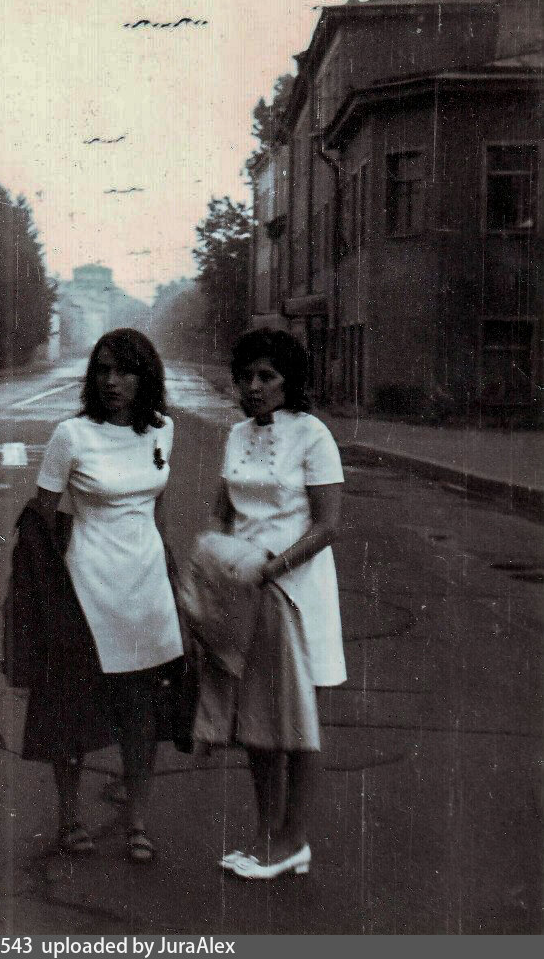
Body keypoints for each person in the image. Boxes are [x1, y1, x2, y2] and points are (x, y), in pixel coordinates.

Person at [190, 327, 346, 880]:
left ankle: (293, 840)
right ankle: (264, 838)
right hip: (244, 593)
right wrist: (216, 564)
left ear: (289, 381)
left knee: (298, 723)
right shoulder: (236, 435)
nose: (253, 386)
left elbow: (327, 525)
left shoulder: (314, 435)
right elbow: (223, 512)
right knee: (258, 721)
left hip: (295, 590)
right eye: (246, 376)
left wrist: (270, 569)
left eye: (267, 376)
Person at [25, 328, 184, 864]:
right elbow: (42, 518)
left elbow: (156, 510)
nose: (111, 381)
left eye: (124, 370)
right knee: (72, 709)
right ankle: (70, 818)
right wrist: (47, 594)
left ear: (146, 377)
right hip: (86, 591)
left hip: (147, 592)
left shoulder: (162, 430)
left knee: (142, 714)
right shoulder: (71, 436)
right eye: (103, 370)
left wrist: (170, 575)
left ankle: (137, 821)